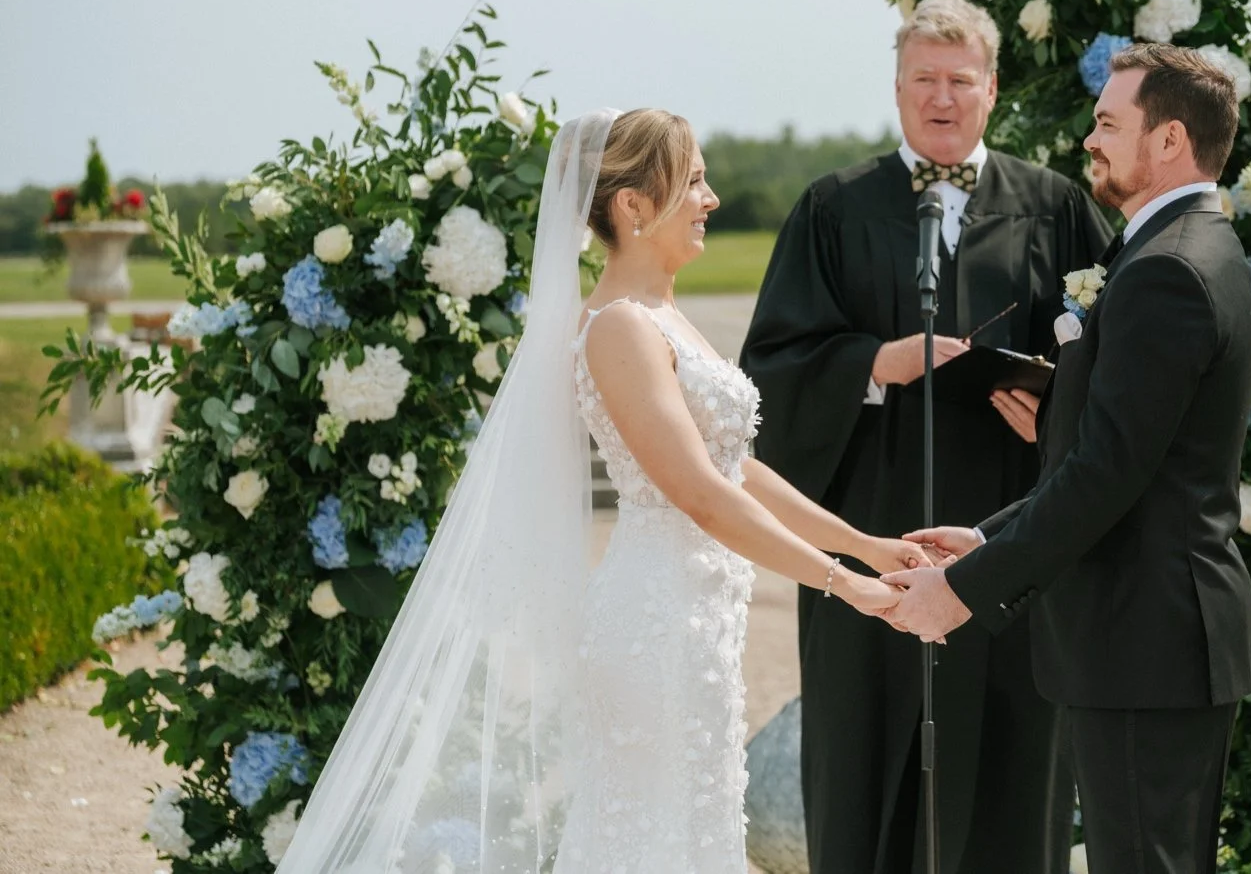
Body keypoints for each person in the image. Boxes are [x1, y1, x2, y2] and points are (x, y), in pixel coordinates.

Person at [273, 108, 928, 873]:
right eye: (694, 181)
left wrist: (865, 544)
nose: (711, 198)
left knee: (693, 825)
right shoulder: (620, 328)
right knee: (648, 838)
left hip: (697, 622)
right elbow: (699, 494)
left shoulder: (664, 316)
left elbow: (734, 468)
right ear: (634, 205)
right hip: (654, 620)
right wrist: (844, 585)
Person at [740, 0, 1115, 874]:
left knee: (1012, 760)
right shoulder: (834, 208)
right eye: (923, 79)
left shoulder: (1055, 207)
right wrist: (877, 363)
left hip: (1010, 534)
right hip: (874, 529)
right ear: (897, 88)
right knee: (867, 757)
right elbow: (771, 372)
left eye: (960, 80)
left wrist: (1055, 408)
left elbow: (1116, 362)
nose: (941, 98)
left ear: (992, 89)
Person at [888, 44, 1251, 874]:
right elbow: (1129, 458)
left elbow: (1106, 475)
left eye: (1108, 123)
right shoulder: (1193, 244)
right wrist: (988, 537)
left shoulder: (1166, 269)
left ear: (1169, 139)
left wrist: (961, 590)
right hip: (1158, 638)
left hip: (1145, 638)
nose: (1090, 140)